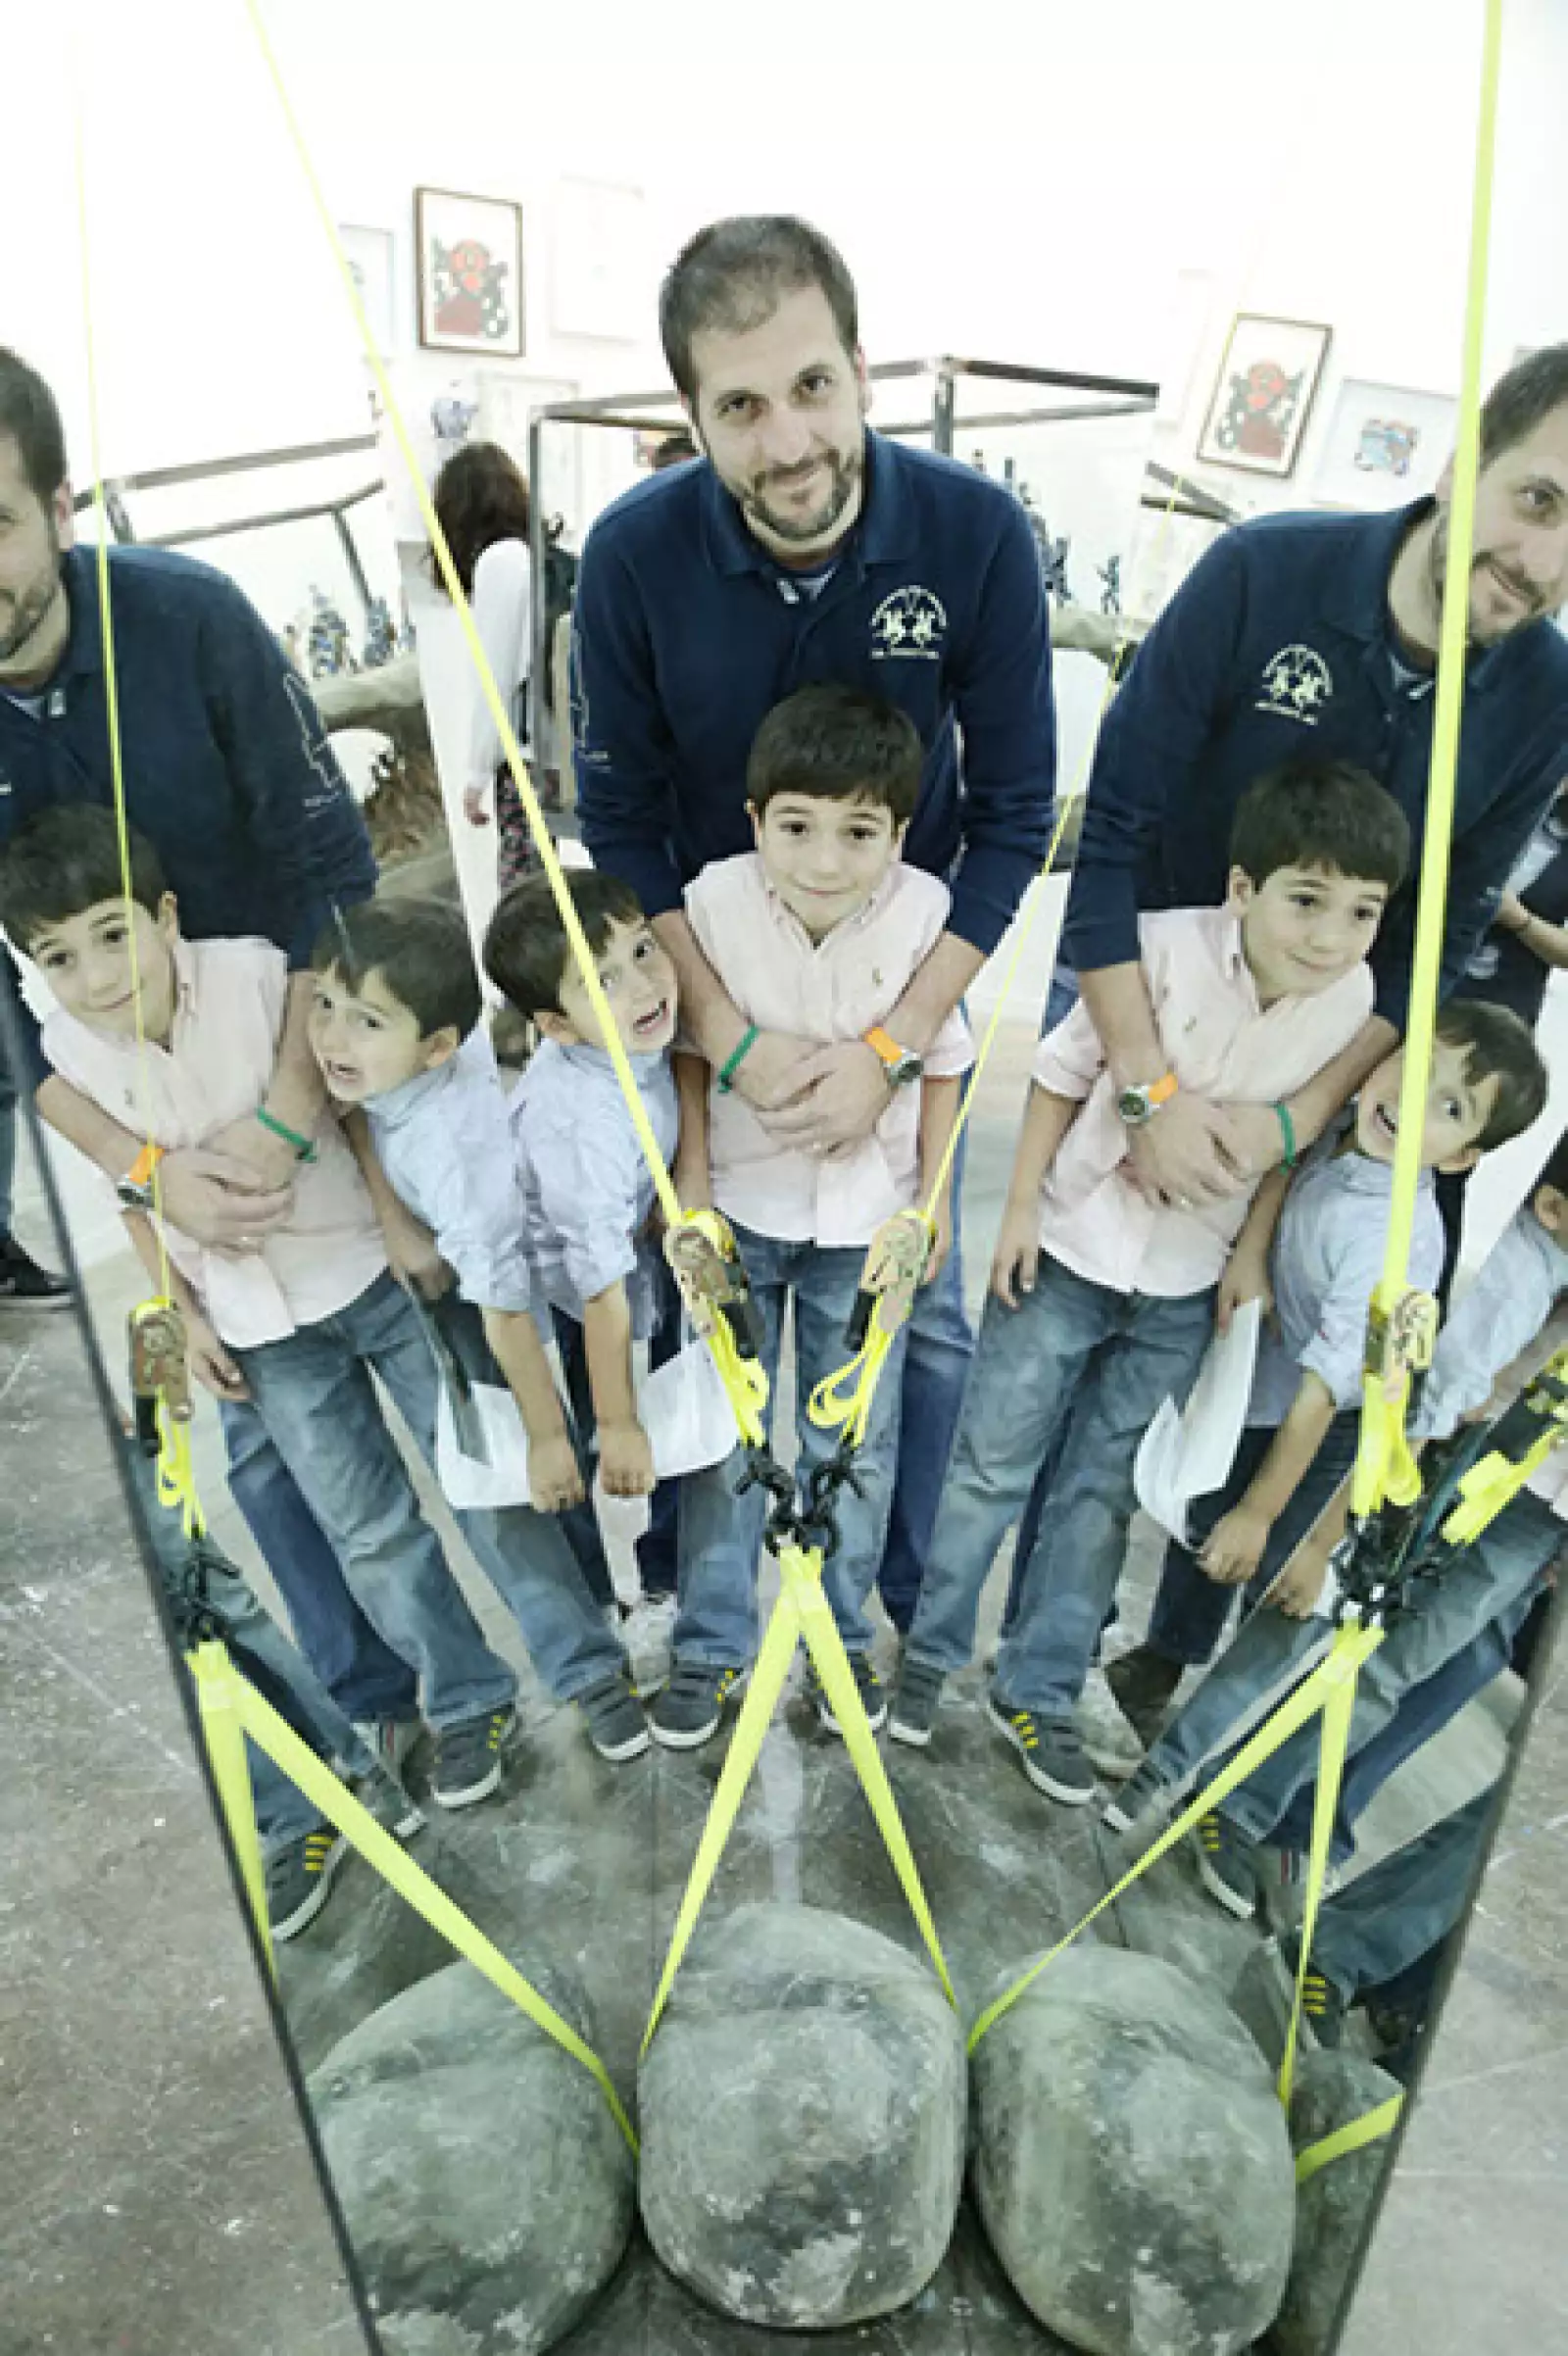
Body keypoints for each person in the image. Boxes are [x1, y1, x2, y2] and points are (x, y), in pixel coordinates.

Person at [570, 214, 1055, 1633]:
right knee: (700, 1307)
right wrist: (720, 1039)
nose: (787, 444)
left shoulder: (974, 534)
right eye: (739, 407)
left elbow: (1019, 815)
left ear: (861, 369)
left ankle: (880, 1610)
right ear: (692, 417)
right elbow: (627, 819)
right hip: (715, 986)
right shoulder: (630, 556)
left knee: (924, 1327)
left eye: (811, 389)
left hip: (898, 996)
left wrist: (897, 1050)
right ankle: (699, 1607)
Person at [0, 809, 637, 1804]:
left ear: (165, 915)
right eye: (58, 956)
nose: (96, 976)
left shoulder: (259, 978)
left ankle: (587, 1666)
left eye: (114, 934)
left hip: (368, 1274)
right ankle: (468, 1703)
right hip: (260, 1330)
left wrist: (396, 1226)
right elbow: (132, 1196)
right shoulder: (68, 1053)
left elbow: (354, 1104)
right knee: (369, 1529)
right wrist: (184, 1315)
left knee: (489, 1480)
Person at [0, 347, 449, 1759]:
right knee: (259, 1438)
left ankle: (541, 1649)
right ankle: (364, 1721)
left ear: (58, 505)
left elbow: (331, 870)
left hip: (311, 1071)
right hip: (150, 1148)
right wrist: (150, 1176)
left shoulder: (192, 624)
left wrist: (290, 1116)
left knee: (442, 1373)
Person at [886, 760, 1409, 1795]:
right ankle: (927, 1659)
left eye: (1359, 913)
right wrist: (1021, 1209)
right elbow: (1058, 1073)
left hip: (1182, 1282)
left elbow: (1290, 1152)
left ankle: (1036, 1686)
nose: (1328, 936)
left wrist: (1249, 1252)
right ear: (1243, 888)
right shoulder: (1157, 952)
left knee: (1102, 1489)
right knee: (990, 1464)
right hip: (1071, 1247)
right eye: (1306, 901)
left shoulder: (1350, 1003)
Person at [1061, 343, 1568, 1226]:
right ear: (1461, 466)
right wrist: (1145, 1084)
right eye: (1539, 500)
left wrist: (1296, 1122)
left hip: (1297, 1064)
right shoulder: (1261, 571)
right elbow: (1110, 831)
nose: (1544, 563)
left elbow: (1438, 938)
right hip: (1130, 1001)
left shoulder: (1548, 697)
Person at [1100, 1002, 1548, 1766]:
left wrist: (1267, 1517)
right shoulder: (1353, 1122)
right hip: (1274, 1378)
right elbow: (1293, 1160)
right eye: (1414, 1072)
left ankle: (1211, 1754)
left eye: (1448, 1106)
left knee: (1276, 1573)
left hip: (1342, 1428)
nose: (1410, 1102)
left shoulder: (1392, 1245)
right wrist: (1252, 1250)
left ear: (1461, 1157)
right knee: (1208, 1526)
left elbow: (1338, 1404)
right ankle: (1164, 1659)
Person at [652, 684, 972, 1749]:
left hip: (868, 1226)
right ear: (753, 822)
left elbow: (947, 1066)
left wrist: (928, 1210)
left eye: (858, 831)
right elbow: (691, 1056)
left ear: (899, 830)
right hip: (740, 1214)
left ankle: (834, 1645)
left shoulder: (929, 911)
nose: (824, 859)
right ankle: (710, 1645)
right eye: (795, 826)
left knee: (855, 1444)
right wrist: (691, 1195)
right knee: (726, 1441)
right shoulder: (712, 901)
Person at [307, 892, 649, 1755]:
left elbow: (507, 1318)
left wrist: (547, 1437)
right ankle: (593, 1622)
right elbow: (355, 1097)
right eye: (324, 1008)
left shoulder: (457, 1160)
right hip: (486, 1269)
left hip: (519, 1288)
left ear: (436, 1047)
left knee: (530, 1463)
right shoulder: (407, 1068)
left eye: (365, 1022)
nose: (332, 1040)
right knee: (536, 1464)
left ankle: (593, 1663)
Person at [483, 868, 682, 1516]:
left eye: (643, 949)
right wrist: (618, 1423)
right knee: (615, 1436)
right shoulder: (581, 1122)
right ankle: (638, 1573)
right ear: (559, 1027)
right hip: (560, 1295)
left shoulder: (626, 1043)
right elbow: (599, 1291)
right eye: (604, 981)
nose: (646, 985)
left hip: (613, 1245)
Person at [431, 440, 560, 898]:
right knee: (544, 888)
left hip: (526, 755)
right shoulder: (539, 554)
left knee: (524, 895)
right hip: (559, 747)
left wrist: (475, 774)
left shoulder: (500, 562)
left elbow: (494, 681)